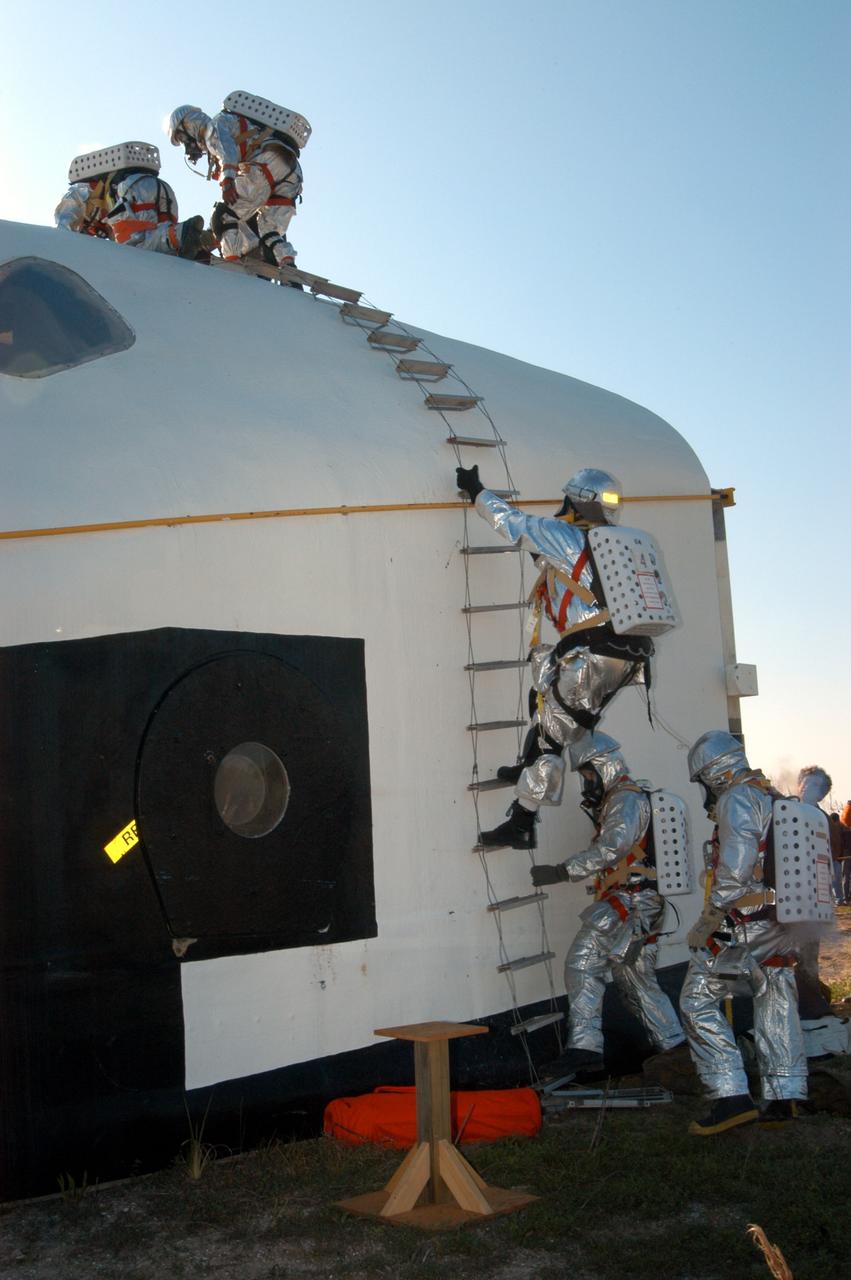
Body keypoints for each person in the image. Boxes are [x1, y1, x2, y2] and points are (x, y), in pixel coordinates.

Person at [455, 464, 659, 850]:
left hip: (592, 653)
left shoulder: (563, 536)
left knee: (552, 739)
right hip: (628, 657)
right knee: (549, 702)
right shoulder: (617, 548)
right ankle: (527, 763)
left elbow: (511, 521)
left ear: (574, 500)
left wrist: (476, 489)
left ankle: (522, 822)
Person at [529, 731, 686, 1077]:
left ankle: (584, 1049)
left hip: (629, 902)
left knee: (582, 964)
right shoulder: (627, 798)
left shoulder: (625, 800)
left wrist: (562, 871)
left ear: (604, 767)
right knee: (636, 981)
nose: (586, 784)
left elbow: (612, 848)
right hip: (641, 904)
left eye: (587, 775)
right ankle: (677, 1049)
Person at [680, 731, 808, 1135]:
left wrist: (711, 920)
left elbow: (735, 871)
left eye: (702, 781)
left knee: (696, 1000)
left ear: (714, 773)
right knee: (775, 1000)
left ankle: (729, 1094)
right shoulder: (769, 796)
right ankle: (785, 1095)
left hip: (746, 923)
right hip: (781, 922)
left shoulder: (737, 798)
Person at [167, 93, 309, 268]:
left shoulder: (213, 127)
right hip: (292, 172)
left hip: (265, 163)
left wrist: (227, 181)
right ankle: (289, 267)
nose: (185, 144)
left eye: (182, 137)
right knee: (269, 230)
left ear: (188, 124)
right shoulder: (230, 122)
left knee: (224, 216)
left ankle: (231, 264)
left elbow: (228, 151)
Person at [55, 142, 210, 258]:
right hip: (160, 188)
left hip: (133, 189)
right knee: (158, 252)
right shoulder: (104, 215)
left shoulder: (77, 191)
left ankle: (181, 233)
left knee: (133, 249)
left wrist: (61, 251)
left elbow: (64, 227)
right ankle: (201, 243)